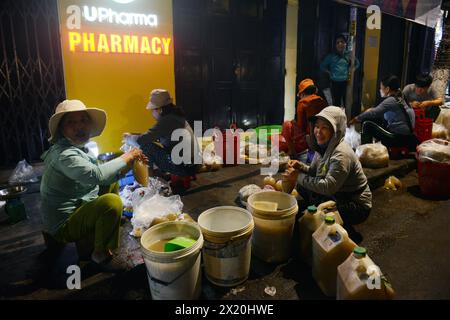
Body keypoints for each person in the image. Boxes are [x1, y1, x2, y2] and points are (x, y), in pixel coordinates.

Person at [40, 99, 146, 271]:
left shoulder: (79, 148)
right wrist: (128, 155)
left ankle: (110, 226)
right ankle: (100, 255)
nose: (79, 127)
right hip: (64, 224)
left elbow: (104, 177)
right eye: (71, 122)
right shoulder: (65, 155)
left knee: (110, 184)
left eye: (83, 120)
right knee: (111, 202)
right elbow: (96, 174)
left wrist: (130, 162)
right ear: (61, 129)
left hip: (80, 204)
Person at [285, 106, 372, 227]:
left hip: (355, 204)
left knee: (321, 204)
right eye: (317, 126)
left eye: (324, 127)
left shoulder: (341, 154)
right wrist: (300, 166)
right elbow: (314, 171)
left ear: (336, 131)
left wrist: (297, 176)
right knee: (303, 187)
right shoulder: (323, 147)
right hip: (339, 192)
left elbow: (328, 186)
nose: (318, 132)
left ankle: (335, 231)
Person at [123, 89, 201, 179]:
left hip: (185, 167)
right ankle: (159, 174)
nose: (152, 113)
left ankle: (149, 181)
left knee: (146, 146)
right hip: (194, 163)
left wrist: (127, 138)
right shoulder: (176, 117)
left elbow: (142, 140)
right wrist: (135, 135)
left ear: (159, 110)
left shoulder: (167, 121)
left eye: (153, 110)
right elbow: (152, 136)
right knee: (148, 143)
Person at [349, 75, 418, 151]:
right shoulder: (401, 96)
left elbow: (374, 112)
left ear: (387, 89)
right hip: (408, 135)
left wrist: (355, 119)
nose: (380, 90)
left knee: (366, 124)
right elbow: (377, 111)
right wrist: (371, 111)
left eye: (381, 88)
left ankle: (366, 152)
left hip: (398, 137)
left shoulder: (391, 100)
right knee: (375, 118)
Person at [320, 34, 360, 108]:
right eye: (337, 42)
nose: (340, 44)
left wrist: (352, 70)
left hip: (346, 82)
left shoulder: (349, 55)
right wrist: (329, 73)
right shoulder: (331, 56)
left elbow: (357, 64)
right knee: (336, 103)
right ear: (335, 45)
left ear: (345, 44)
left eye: (342, 42)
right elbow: (322, 66)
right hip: (335, 83)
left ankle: (345, 118)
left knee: (347, 102)